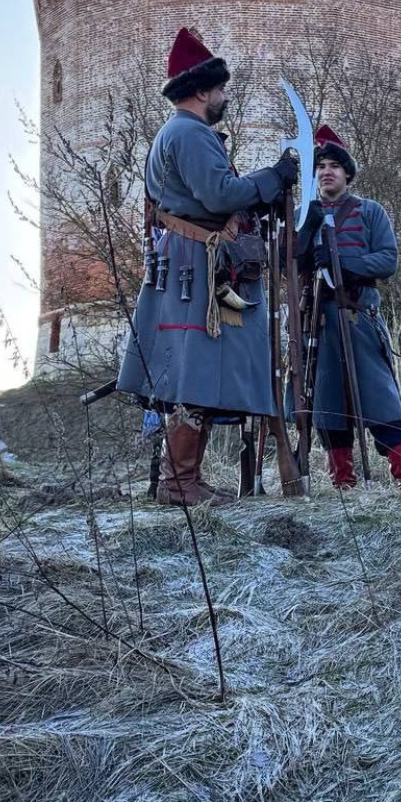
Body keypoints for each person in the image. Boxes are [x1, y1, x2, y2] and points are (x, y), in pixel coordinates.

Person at [117, 27, 298, 507]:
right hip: (196, 263)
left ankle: (183, 479)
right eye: (218, 89)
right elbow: (219, 196)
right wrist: (270, 179)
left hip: (192, 259)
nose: (222, 97)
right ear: (200, 90)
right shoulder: (190, 133)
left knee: (194, 370)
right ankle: (180, 483)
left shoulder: (176, 133)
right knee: (194, 369)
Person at [298, 125, 401, 489]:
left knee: (379, 397)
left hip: (358, 315)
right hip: (318, 322)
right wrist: (307, 235)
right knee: (327, 402)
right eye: (321, 166)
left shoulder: (370, 212)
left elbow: (387, 260)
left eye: (335, 165)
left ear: (347, 173)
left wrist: (347, 267)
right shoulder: (305, 214)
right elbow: (291, 264)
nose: (327, 171)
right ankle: (343, 483)